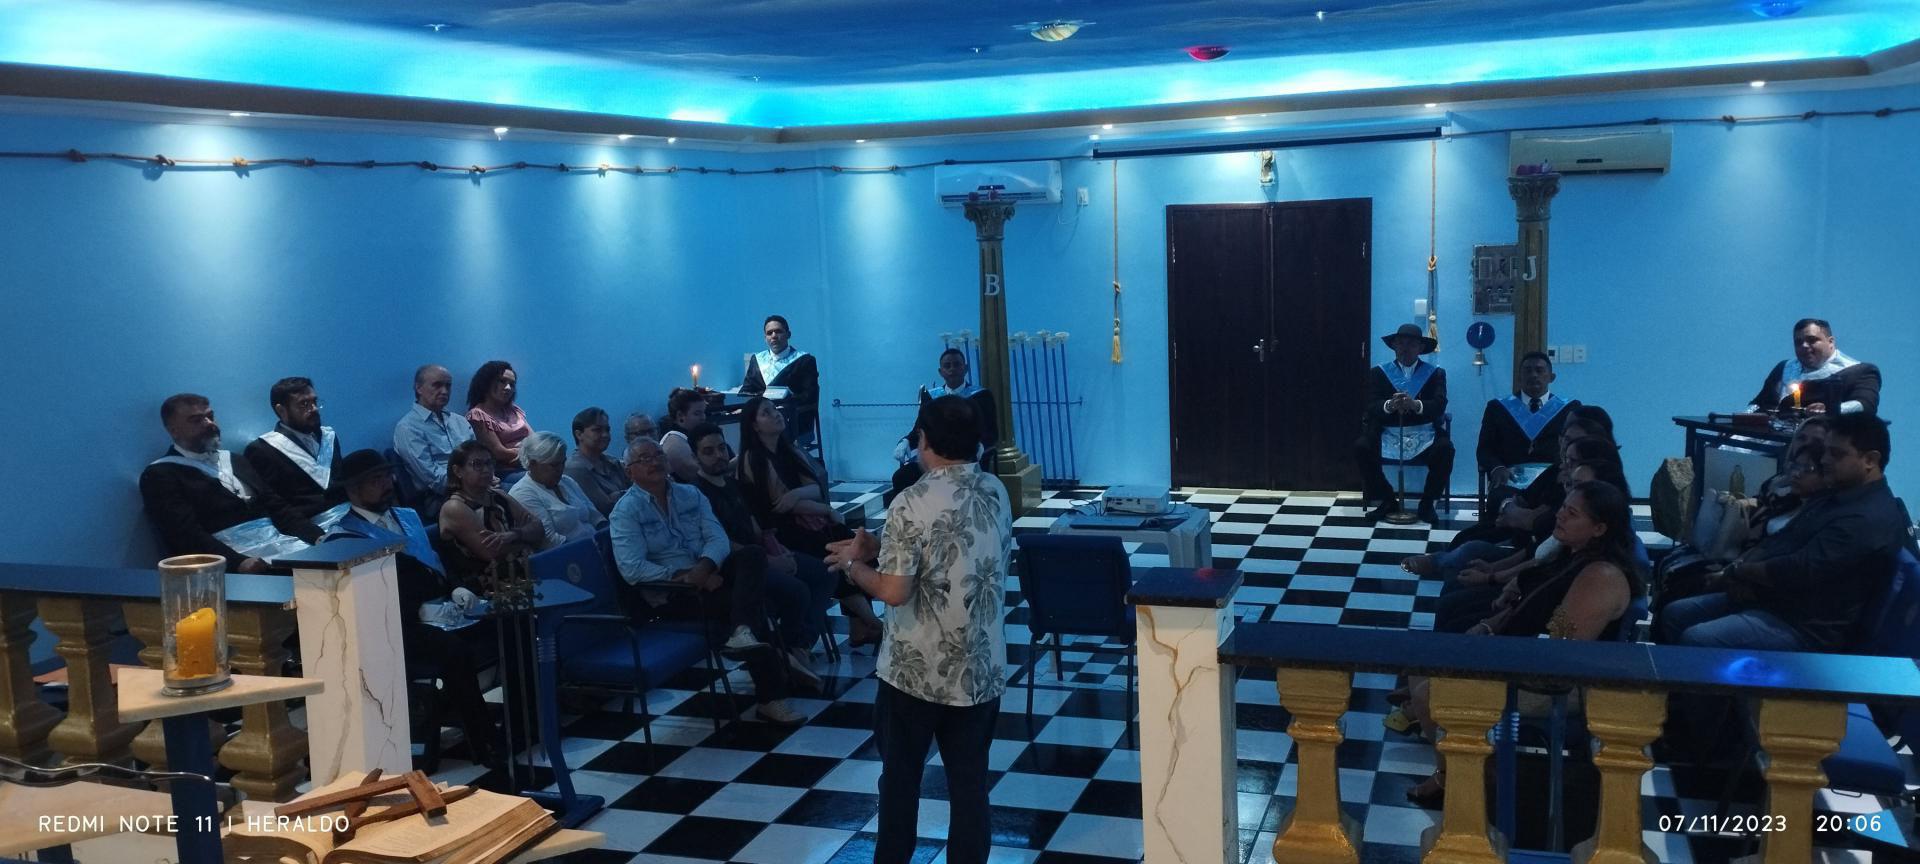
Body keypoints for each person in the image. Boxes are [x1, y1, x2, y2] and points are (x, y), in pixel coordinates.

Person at [824, 394, 1014, 864]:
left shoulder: (911, 501)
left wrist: (853, 565)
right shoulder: (995, 489)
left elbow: (893, 591)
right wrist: (880, 546)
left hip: (916, 671)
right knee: (969, 787)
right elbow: (951, 554)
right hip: (980, 667)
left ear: (924, 440)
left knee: (900, 781)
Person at [1401, 480, 1641, 808]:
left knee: (1429, 693)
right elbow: (1528, 603)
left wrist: (1491, 660)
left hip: (1558, 684)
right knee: (1423, 660)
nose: (1560, 515)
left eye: (1572, 513)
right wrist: (1489, 626)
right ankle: (1461, 766)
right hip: (1523, 655)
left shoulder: (1601, 577)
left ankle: (1460, 779)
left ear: (1599, 528)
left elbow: (1561, 650)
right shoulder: (1569, 553)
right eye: (1563, 507)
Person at [1659, 413, 1906, 654]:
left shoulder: (1866, 518)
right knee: (1675, 614)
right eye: (1826, 451)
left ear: (1870, 460)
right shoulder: (1838, 495)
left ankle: (1699, 682)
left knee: (1698, 638)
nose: (1825, 460)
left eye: (1836, 454)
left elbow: (1800, 569)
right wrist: (1741, 574)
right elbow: (1784, 539)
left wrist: (1738, 573)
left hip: (1805, 628)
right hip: (1777, 601)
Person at [609, 438, 804, 725]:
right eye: (644, 459)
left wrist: (705, 566)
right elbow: (632, 569)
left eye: (658, 455)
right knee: (750, 605)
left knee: (752, 555)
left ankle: (743, 634)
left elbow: (717, 537)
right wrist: (689, 577)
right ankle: (770, 697)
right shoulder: (625, 512)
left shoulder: (690, 494)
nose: (654, 462)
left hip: (708, 570)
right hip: (672, 594)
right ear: (629, 471)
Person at [323, 449, 499, 766]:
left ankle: (523, 721)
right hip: (397, 624)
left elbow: (435, 559)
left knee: (509, 623)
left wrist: (455, 586)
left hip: (443, 606)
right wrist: (418, 610)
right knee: (454, 651)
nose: (386, 484)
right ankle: (483, 739)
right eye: (375, 480)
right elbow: (366, 600)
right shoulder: (344, 537)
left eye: (386, 476)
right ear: (353, 490)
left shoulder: (407, 515)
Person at [687, 422, 835, 692]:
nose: (719, 455)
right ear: (695, 457)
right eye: (709, 451)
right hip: (736, 566)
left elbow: (755, 527)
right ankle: (790, 652)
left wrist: (777, 549)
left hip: (762, 552)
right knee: (797, 591)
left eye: (721, 448)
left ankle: (798, 646)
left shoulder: (733, 484)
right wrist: (771, 561)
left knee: (827, 572)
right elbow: (717, 541)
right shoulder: (696, 494)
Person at [738, 395, 885, 646]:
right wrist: (824, 510)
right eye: (766, 412)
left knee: (857, 546)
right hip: (783, 531)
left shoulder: (790, 450)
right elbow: (780, 505)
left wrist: (798, 495)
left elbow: (815, 488)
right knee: (835, 558)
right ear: (754, 425)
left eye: (774, 409)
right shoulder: (754, 459)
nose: (775, 414)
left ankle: (859, 625)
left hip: (809, 520)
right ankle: (870, 621)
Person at [141, 393, 320, 572]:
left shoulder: (236, 460)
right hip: (231, 566)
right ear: (173, 430)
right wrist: (238, 562)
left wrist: (317, 537)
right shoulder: (160, 474)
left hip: (283, 548)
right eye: (196, 420)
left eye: (210, 416)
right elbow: (184, 534)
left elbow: (278, 508)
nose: (209, 424)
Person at [1356, 323, 1453, 524]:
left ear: (1421, 348)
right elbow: (1371, 405)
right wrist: (1389, 405)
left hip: (1424, 434)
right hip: (1387, 432)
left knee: (1445, 450)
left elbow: (1439, 405)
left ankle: (1427, 504)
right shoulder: (1379, 373)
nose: (1405, 348)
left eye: (1411, 343)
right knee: (1362, 448)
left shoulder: (1435, 374)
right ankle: (1387, 500)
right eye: (1400, 343)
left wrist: (1415, 405)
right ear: (1394, 346)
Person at [888, 348, 999, 505]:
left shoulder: (981, 396)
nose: (952, 369)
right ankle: (911, 515)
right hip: (935, 458)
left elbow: (991, 431)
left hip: (965, 458)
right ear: (941, 372)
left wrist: (980, 445)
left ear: (965, 368)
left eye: (957, 364)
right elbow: (920, 428)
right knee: (902, 477)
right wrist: (905, 441)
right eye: (947, 366)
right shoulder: (931, 396)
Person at [437, 440, 545, 593]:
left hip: (522, 570)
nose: (486, 469)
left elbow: (539, 528)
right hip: (488, 585)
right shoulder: (454, 507)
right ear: (458, 471)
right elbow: (492, 552)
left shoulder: (498, 495)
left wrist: (514, 534)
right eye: (477, 464)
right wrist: (527, 541)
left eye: (489, 463)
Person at [1476, 351, 1578, 504]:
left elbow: (1577, 447)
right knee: (1499, 502)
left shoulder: (1569, 409)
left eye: (1539, 370)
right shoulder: (1497, 408)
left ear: (1551, 377)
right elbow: (1484, 449)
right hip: (1511, 479)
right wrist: (1497, 468)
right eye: (1528, 370)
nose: (1533, 375)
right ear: (1519, 377)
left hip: (1553, 479)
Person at [243, 376, 346, 523]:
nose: (314, 409)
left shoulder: (329, 436)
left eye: (314, 402)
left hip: (350, 515)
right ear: (281, 410)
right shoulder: (262, 450)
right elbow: (276, 507)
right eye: (304, 404)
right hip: (312, 527)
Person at [1746, 318, 1881, 416]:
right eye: (1798, 342)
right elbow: (1760, 402)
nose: (1804, 346)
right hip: (1767, 436)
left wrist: (1830, 409)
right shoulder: (1783, 368)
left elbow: (1865, 404)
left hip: (1818, 440)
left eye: (1812, 340)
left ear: (1831, 342)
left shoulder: (1861, 372)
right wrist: (1743, 417)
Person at [394, 364, 475, 518]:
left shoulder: (460, 421)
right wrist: (474, 483)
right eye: (437, 385)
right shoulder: (408, 427)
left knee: (514, 494)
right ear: (419, 388)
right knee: (502, 502)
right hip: (438, 498)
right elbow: (433, 479)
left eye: (448, 386)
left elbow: (479, 457)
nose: (444, 391)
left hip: (475, 485)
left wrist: (487, 475)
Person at [509, 432, 605, 549]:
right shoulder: (522, 493)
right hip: (570, 554)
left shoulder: (567, 481)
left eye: (563, 462)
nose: (561, 469)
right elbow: (550, 540)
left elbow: (595, 516)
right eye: (554, 465)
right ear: (532, 464)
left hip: (597, 544)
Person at [741, 314, 821, 449]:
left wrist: (783, 401)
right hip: (762, 418)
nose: (774, 336)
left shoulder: (804, 360)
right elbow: (746, 391)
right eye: (769, 333)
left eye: (778, 331)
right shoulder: (757, 360)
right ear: (765, 338)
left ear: (788, 334)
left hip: (793, 419)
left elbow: (809, 395)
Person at [466, 360, 530, 481]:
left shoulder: (514, 410)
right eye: (502, 381)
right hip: (506, 471)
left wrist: (539, 453)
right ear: (486, 383)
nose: (508, 388)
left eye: (512, 384)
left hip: (530, 463)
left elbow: (535, 439)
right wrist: (531, 455)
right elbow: (498, 452)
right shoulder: (477, 415)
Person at [565, 407, 630, 517]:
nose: (605, 435)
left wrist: (617, 495)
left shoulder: (613, 462)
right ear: (579, 434)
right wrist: (628, 493)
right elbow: (606, 508)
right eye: (597, 430)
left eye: (607, 430)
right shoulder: (575, 469)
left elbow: (643, 491)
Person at [658, 388, 709, 483]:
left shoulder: (694, 435)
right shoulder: (674, 442)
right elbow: (699, 475)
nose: (703, 417)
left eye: (704, 412)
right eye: (697, 413)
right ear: (680, 416)